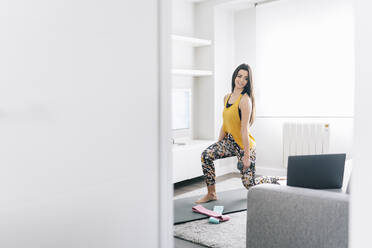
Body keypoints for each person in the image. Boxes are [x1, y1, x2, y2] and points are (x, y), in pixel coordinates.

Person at [196, 63, 285, 204]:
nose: (241, 80)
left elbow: (244, 130)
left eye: (245, 78)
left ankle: (274, 179)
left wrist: (246, 157)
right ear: (234, 77)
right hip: (231, 142)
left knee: (249, 184)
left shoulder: (245, 101)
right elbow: (225, 124)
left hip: (245, 145)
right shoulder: (226, 98)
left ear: (248, 82)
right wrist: (218, 145)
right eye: (239, 76)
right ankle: (211, 193)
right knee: (206, 155)